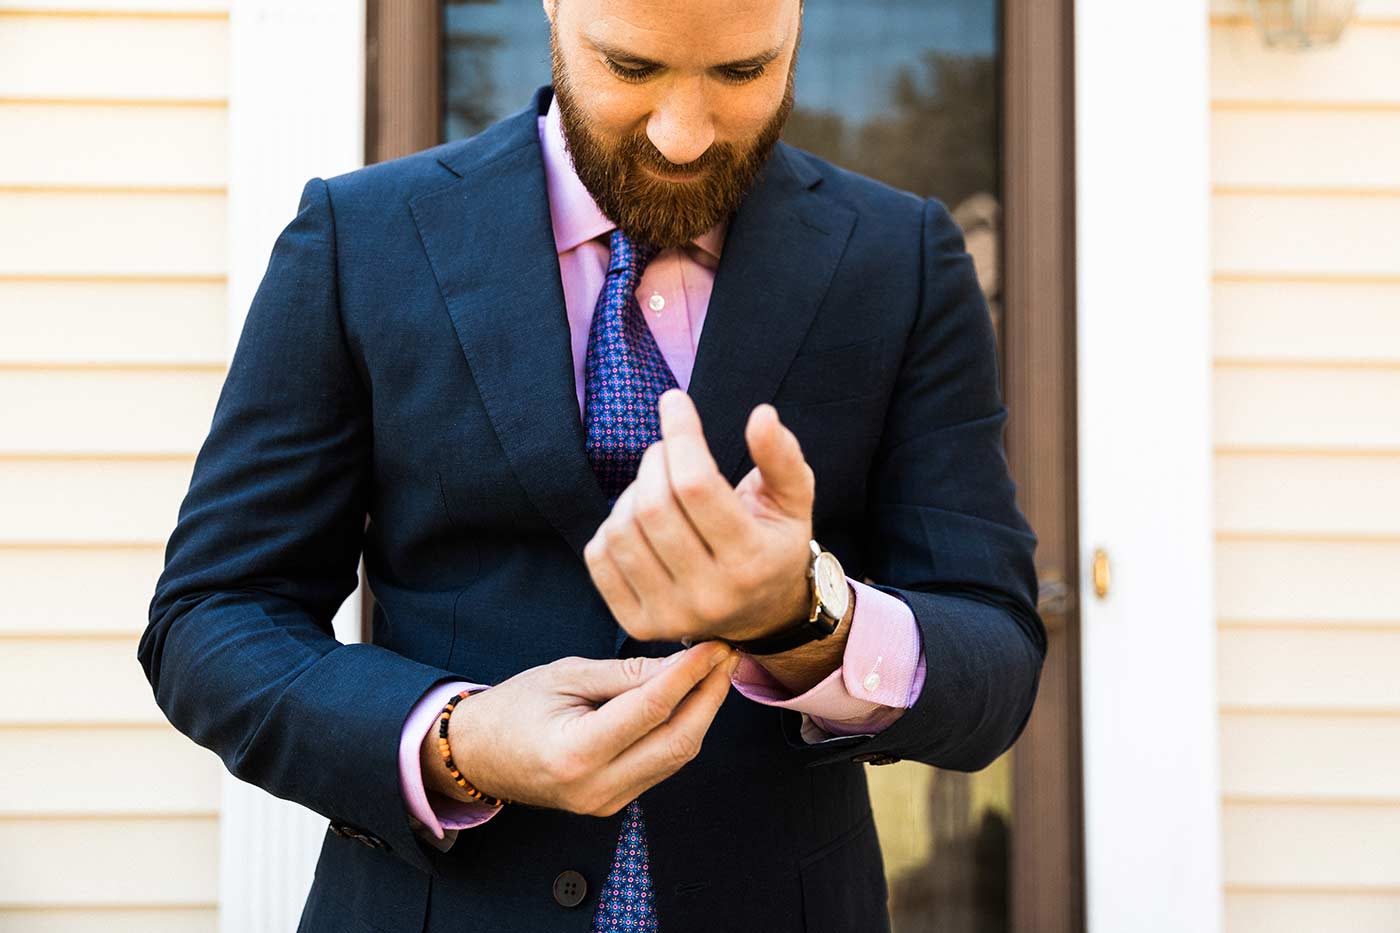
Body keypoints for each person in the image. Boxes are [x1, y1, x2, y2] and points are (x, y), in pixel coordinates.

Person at [137, 0, 1046, 930]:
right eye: (631, 68)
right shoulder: (359, 237)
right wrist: (457, 740)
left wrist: (806, 614)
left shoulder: (900, 258)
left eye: (741, 74)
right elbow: (211, 619)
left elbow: (997, 660)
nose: (683, 136)